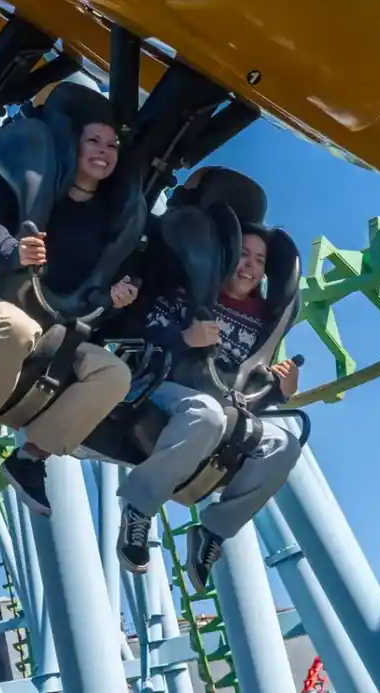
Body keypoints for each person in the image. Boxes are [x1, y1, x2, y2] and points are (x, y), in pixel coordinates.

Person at [0, 85, 143, 514]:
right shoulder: (28, 182)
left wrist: (119, 293)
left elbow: (104, 280)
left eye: (111, 145)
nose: (103, 151)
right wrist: (14, 249)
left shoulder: (110, 214)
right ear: (74, 144)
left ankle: (30, 459)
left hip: (59, 324)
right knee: (17, 328)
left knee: (114, 375)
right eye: (93, 141)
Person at [117, 224, 303, 593]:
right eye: (242, 254)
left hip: (219, 409)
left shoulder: (264, 323)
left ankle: (212, 532)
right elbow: (142, 330)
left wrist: (281, 391)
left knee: (286, 444)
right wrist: (185, 338)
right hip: (161, 390)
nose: (249, 265)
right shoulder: (187, 293)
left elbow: (249, 392)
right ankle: (138, 510)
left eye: (259, 260)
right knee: (205, 412)